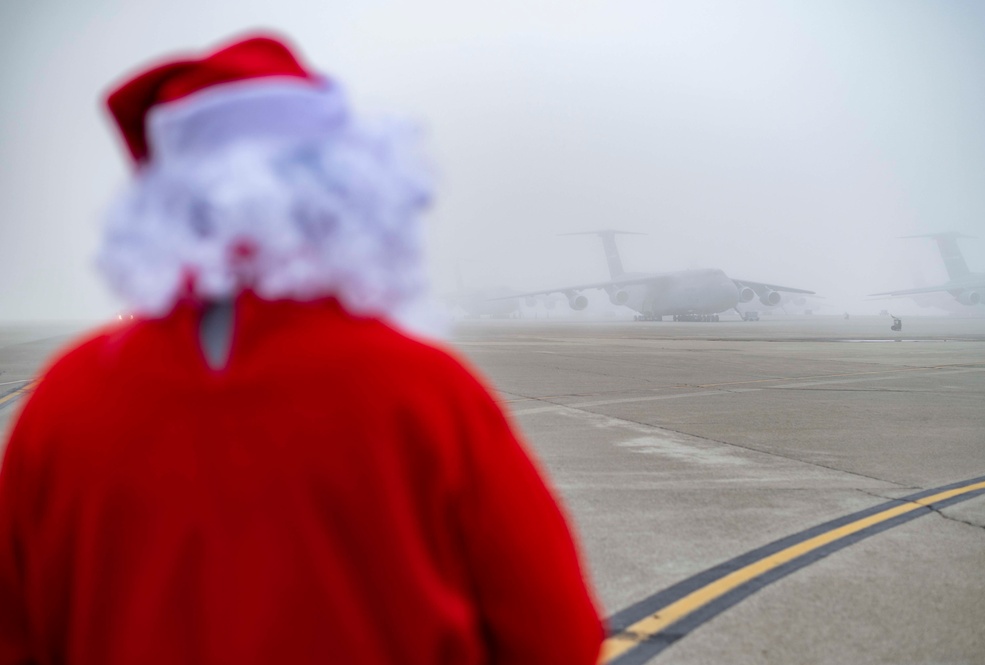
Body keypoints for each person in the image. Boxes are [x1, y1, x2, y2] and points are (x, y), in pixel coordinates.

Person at [0, 34, 604, 665]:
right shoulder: (425, 388)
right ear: (347, 189)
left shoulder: (63, 403)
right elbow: (558, 638)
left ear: (165, 206)